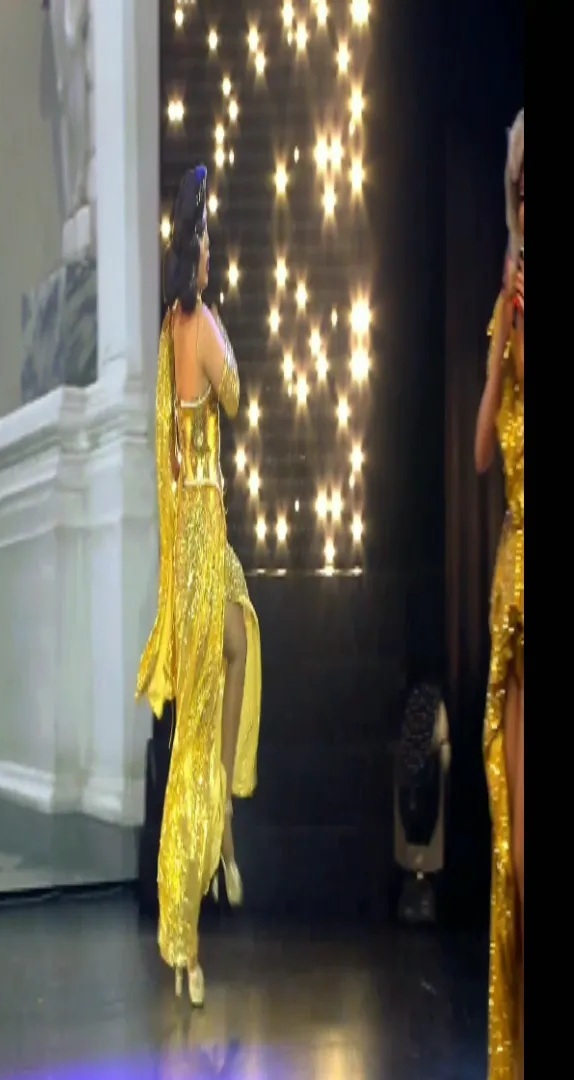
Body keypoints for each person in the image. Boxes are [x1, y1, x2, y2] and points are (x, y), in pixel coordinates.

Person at [136, 165, 262, 1008]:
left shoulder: (169, 329)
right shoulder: (202, 324)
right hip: (200, 536)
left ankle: (222, 828)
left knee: (241, 640)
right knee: (198, 727)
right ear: (196, 253)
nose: (213, 256)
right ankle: (187, 931)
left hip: (198, 531)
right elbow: (237, 398)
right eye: (208, 245)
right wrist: (227, 365)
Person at [474, 108, 524, 1080]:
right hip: (517, 585)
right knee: (517, 847)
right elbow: (482, 450)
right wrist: (499, 354)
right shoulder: (507, 307)